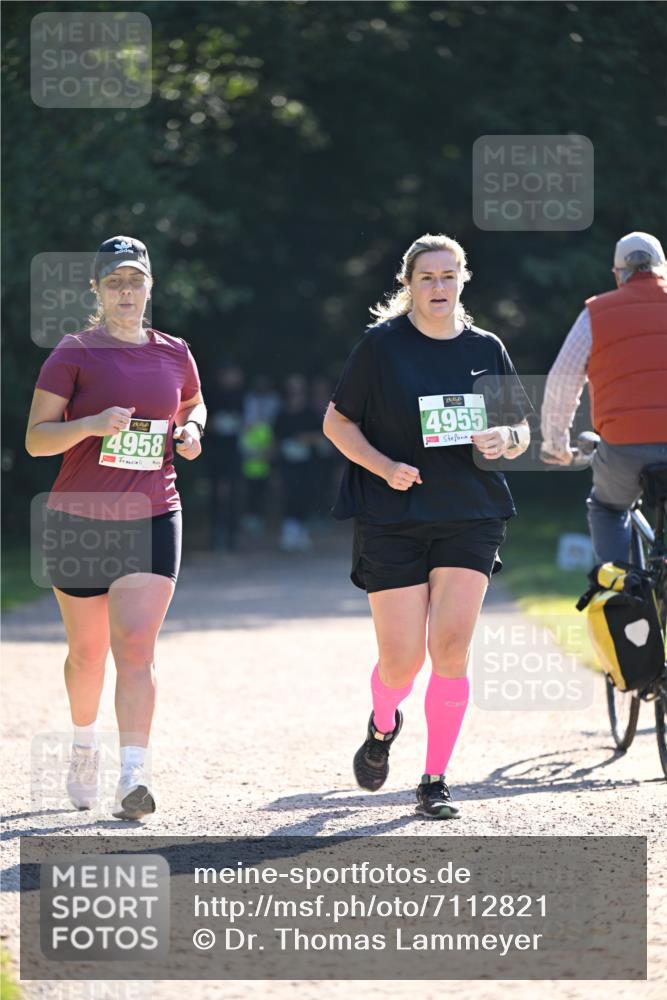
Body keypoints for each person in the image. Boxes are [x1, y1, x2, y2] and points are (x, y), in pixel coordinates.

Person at [323, 233, 531, 819]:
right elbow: (337, 424)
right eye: (426, 278)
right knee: (402, 661)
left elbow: (520, 432)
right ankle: (383, 723)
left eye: (448, 276)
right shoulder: (380, 348)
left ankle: (435, 777)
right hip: (393, 514)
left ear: (463, 280)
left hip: (471, 511)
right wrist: (385, 467)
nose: (438, 288)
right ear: (408, 286)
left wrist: (505, 437)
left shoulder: (487, 347)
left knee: (451, 647)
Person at [25, 235, 206, 820]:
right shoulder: (75, 352)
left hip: (154, 512)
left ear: (150, 287)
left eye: (135, 281)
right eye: (115, 283)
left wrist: (192, 430)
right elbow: (35, 439)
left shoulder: (175, 351)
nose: (126, 291)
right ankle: (84, 747)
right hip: (79, 520)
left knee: (135, 646)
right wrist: (92, 424)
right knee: (87, 654)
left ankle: (133, 774)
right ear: (98, 291)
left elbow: (193, 403)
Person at [541, 231, 667, 563]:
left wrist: (556, 444)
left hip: (625, 448)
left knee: (608, 508)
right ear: (662, 268)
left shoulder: (597, 314)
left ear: (617, 273)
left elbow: (562, 381)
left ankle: (620, 587)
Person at [274, 374, 322, 551]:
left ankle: (302, 531)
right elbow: (275, 438)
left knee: (305, 494)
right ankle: (289, 532)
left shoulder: (310, 412)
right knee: (289, 493)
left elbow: (321, 435)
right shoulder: (281, 413)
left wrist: (306, 439)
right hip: (287, 462)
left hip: (307, 463)